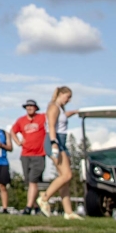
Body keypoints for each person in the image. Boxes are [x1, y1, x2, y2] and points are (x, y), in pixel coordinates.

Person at [36, 86, 82, 219]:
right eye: (68, 97)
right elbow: (51, 125)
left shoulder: (60, 109)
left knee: (64, 178)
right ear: (61, 94)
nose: (69, 100)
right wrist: (53, 142)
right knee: (67, 175)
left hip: (61, 141)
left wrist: (75, 112)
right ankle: (44, 197)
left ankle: (68, 212)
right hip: (54, 141)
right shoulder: (53, 106)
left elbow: (63, 117)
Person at [11, 99, 45, 215]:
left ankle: (28, 208)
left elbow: (54, 115)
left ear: (36, 108)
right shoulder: (21, 120)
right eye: (27, 106)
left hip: (39, 154)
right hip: (25, 154)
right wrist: (18, 142)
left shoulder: (42, 117)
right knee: (29, 182)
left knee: (33, 181)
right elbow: (12, 131)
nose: (29, 108)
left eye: (31, 106)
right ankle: (36, 208)